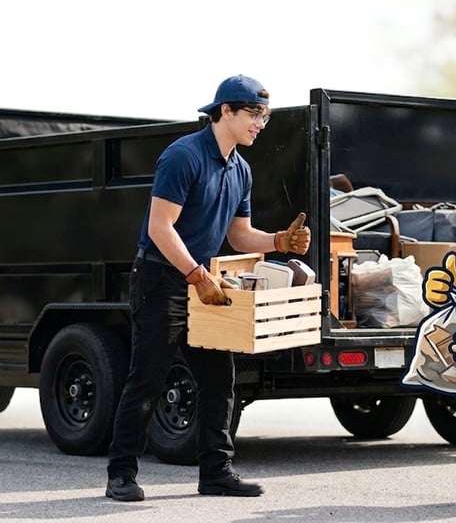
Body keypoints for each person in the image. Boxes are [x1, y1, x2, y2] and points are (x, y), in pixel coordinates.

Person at [105, 74, 311, 502]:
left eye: (265, 117)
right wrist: (197, 276)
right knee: (147, 378)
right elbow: (160, 228)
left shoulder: (241, 170)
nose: (260, 124)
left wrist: (278, 242)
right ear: (225, 112)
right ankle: (121, 475)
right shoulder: (183, 157)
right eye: (254, 114)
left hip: (205, 280)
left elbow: (240, 236)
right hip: (162, 279)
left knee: (220, 379)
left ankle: (215, 472)